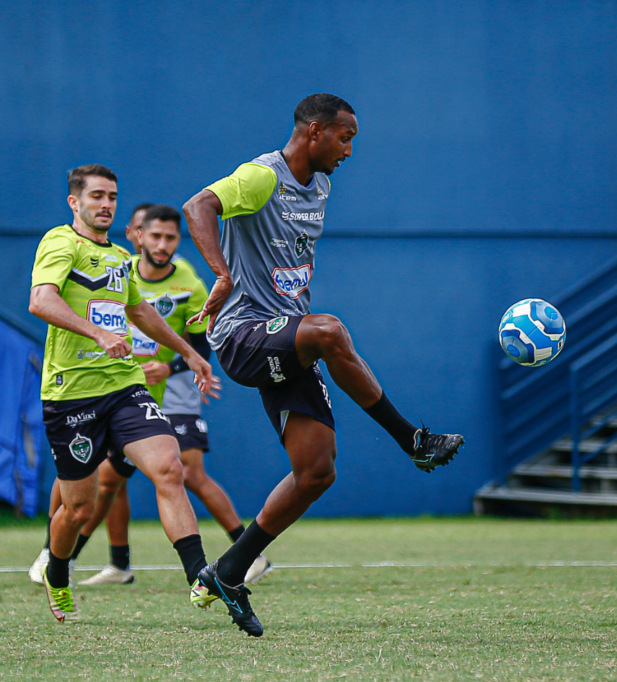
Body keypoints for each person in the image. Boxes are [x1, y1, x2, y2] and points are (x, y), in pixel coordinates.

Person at [182, 94, 464, 637]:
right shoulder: (262, 176)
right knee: (330, 331)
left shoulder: (322, 186)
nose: (350, 150)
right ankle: (412, 440)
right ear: (313, 132)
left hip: (286, 339)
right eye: (344, 137)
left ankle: (229, 571)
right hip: (243, 334)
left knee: (316, 471)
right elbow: (199, 207)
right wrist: (220, 273)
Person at [29, 164, 217, 622]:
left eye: (111, 196)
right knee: (78, 509)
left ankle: (201, 579)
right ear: (75, 202)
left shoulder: (117, 256)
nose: (105, 204)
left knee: (169, 467)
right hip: (71, 393)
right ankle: (58, 570)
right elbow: (41, 300)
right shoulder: (60, 242)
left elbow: (140, 312)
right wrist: (95, 332)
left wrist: (188, 355)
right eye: (96, 196)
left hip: (124, 386)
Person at [75, 204, 272, 586]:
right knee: (111, 479)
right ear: (135, 235)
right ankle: (117, 564)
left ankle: (251, 553)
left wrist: (173, 367)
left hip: (175, 392)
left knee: (190, 473)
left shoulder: (189, 282)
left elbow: (202, 345)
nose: (163, 244)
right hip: (127, 390)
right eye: (155, 235)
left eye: (170, 237)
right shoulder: (119, 274)